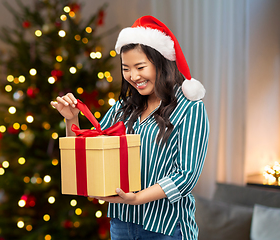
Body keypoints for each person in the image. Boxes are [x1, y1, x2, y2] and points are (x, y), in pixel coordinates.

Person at [51, 15, 209, 240]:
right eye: (126, 68)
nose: (133, 76)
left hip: (167, 227)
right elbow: (87, 154)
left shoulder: (190, 108)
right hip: (122, 224)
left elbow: (186, 176)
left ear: (161, 63)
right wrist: (71, 120)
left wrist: (138, 197)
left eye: (140, 67)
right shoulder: (123, 108)